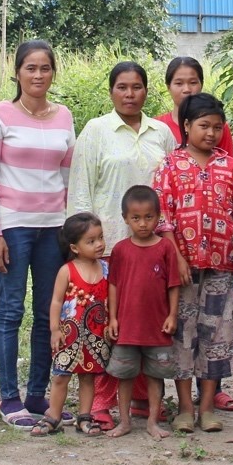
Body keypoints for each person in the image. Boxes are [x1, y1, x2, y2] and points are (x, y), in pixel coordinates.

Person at [68, 61, 177, 428]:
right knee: (108, 326)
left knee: (146, 323)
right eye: (122, 87)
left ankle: (145, 400)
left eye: (136, 87)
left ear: (147, 90)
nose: (129, 94)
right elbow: (81, 188)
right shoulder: (96, 131)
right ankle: (102, 400)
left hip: (152, 249)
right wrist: (85, 245)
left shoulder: (161, 132)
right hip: (109, 247)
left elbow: (172, 188)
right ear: (111, 91)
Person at [0, 39, 77, 427]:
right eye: (30, 68)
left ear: (53, 72)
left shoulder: (65, 116)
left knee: (45, 313)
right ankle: (9, 399)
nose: (38, 75)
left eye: (45, 68)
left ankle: (38, 395)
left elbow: (68, 179)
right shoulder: (0, 115)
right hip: (13, 228)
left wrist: (70, 231)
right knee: (10, 310)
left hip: (53, 229)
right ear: (17, 72)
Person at [153, 92, 233, 434]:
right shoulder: (169, 166)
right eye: (204, 126)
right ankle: (185, 408)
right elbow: (164, 218)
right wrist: (176, 258)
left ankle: (207, 408)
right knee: (182, 336)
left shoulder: (229, 167)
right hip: (183, 268)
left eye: (217, 127)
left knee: (216, 335)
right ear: (187, 126)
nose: (211, 133)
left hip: (221, 266)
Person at [105, 185, 180, 441]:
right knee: (124, 376)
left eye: (149, 217)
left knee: (155, 375)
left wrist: (172, 315)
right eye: (135, 218)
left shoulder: (165, 249)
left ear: (158, 217)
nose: (143, 223)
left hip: (157, 327)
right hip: (127, 328)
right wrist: (113, 318)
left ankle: (152, 421)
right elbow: (113, 286)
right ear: (125, 219)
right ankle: (124, 421)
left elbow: (173, 285)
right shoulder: (120, 250)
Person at [33, 212, 111, 437]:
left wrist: (112, 320)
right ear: (75, 247)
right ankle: (53, 416)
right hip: (69, 335)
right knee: (60, 376)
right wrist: (55, 329)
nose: (99, 244)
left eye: (100, 238)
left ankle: (84, 417)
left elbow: (111, 299)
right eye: (91, 241)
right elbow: (56, 301)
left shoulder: (105, 269)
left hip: (96, 335)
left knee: (88, 377)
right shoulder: (67, 270)